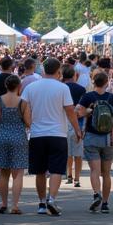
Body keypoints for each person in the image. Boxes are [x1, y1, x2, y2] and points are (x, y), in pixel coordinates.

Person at [21, 57, 82, 215]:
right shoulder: (62, 88)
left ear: (42, 69)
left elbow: (23, 108)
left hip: (37, 134)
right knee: (56, 169)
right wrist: (77, 129)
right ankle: (52, 199)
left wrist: (29, 124)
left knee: (40, 171)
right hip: (57, 133)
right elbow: (70, 111)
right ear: (58, 71)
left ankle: (41, 203)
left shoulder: (31, 87)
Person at [77, 70, 113, 213]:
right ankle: (105, 203)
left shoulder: (87, 97)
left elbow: (78, 112)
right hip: (109, 139)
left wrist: (88, 111)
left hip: (92, 137)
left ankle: (96, 193)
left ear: (93, 82)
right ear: (106, 83)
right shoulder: (112, 98)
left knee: (94, 170)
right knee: (106, 173)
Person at [0, 74, 29, 214]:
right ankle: (15, 205)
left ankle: (4, 203)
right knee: (18, 174)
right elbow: (29, 123)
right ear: (19, 86)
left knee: (3, 173)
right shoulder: (23, 102)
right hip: (18, 137)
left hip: (1, 136)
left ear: (6, 86)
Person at [62, 63, 86, 187]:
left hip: (63, 122)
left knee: (67, 153)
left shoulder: (60, 87)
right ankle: (77, 178)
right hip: (78, 122)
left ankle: (69, 175)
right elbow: (83, 108)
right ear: (74, 75)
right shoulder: (81, 89)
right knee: (78, 153)